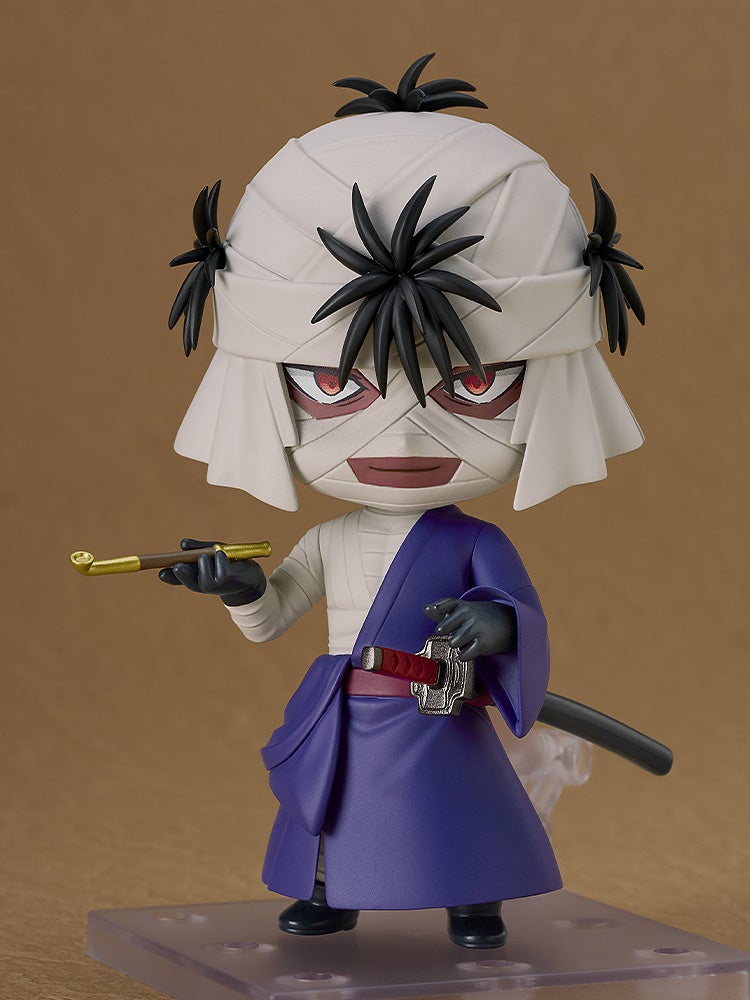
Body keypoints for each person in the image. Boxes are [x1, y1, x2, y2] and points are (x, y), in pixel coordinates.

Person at [160, 54, 645, 948]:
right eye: (335, 386)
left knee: (460, 814)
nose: (407, 438)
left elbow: (520, 615)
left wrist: (494, 626)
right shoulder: (332, 536)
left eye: (474, 385)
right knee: (333, 811)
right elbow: (273, 619)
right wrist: (239, 587)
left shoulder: (474, 541)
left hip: (437, 711)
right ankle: (331, 892)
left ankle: (474, 898)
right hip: (348, 708)